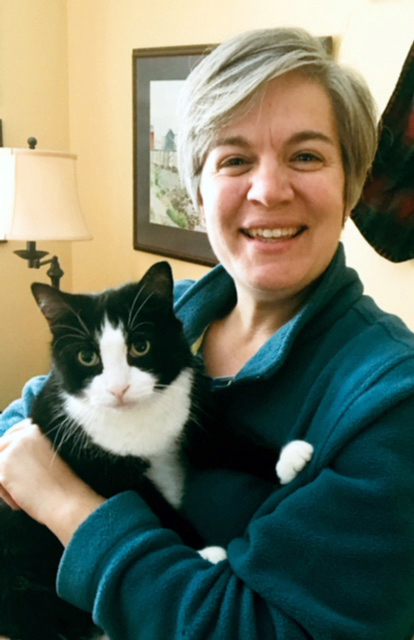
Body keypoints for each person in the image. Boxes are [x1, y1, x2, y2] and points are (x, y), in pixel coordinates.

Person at [1, 27, 414, 640]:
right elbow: (33, 411)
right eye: (235, 159)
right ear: (197, 190)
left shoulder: (388, 403)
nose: (269, 190)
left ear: (350, 181)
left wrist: (66, 506)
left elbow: (253, 628)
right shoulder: (179, 310)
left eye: (306, 155)